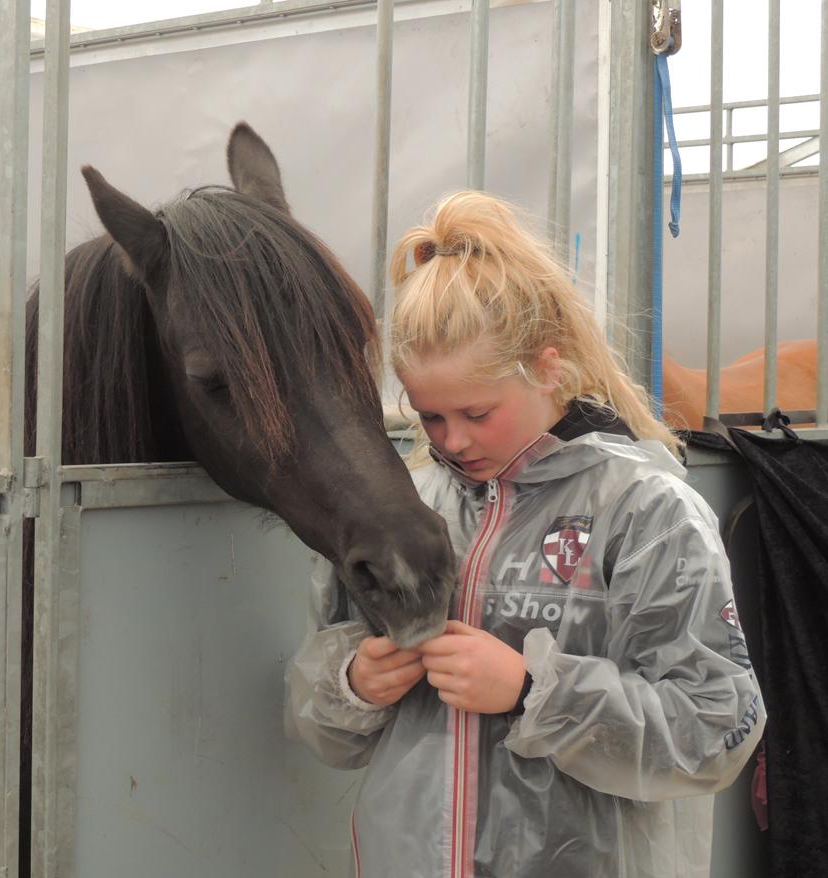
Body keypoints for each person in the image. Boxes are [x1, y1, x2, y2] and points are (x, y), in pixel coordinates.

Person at [286, 190, 765, 877]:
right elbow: (319, 714)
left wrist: (534, 690)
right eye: (429, 417)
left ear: (548, 366)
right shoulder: (406, 507)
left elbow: (718, 728)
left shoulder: (645, 511)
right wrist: (354, 682)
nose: (452, 441)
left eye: (477, 413)